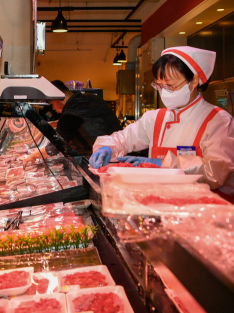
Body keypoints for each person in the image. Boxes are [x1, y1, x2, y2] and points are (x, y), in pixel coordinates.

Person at [90, 46, 234, 201]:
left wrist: (162, 165)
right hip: (161, 203)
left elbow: (216, 172)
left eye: (170, 86)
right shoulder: (155, 118)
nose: (164, 92)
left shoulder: (218, 120)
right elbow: (123, 139)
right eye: (159, 86)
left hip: (205, 210)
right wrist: (107, 148)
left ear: (194, 81)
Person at [23, 80, 122, 164]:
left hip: (105, 158)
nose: (52, 108)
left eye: (52, 102)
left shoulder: (70, 112)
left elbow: (54, 148)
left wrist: (32, 156)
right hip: (118, 151)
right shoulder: (88, 98)